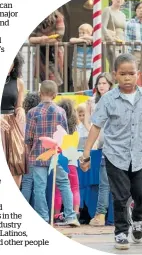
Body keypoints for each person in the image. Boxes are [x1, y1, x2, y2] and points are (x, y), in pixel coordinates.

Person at [80, 54, 142, 250]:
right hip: (115, 155)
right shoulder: (108, 99)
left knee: (141, 196)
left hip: (138, 156)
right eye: (123, 74)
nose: (127, 78)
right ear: (116, 75)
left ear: (138, 74)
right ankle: (121, 232)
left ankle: (137, 220)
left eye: (131, 73)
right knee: (120, 196)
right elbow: (96, 126)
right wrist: (86, 153)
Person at [25, 80, 79, 226]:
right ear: (55, 95)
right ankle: (70, 216)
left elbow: (28, 137)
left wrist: (30, 151)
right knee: (64, 183)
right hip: (57, 153)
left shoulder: (32, 113)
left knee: (39, 187)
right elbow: (65, 134)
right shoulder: (61, 112)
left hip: (38, 155)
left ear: (40, 93)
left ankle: (42, 217)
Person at [89, 72, 114, 227]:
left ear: (110, 84)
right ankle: (102, 215)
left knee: (108, 183)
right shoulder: (95, 102)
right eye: (99, 83)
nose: (101, 86)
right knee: (105, 183)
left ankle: (102, 215)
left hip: (111, 146)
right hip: (102, 146)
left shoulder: (109, 101)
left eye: (104, 83)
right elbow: (93, 126)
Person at [1, 52, 26, 188]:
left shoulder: (18, 82)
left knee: (17, 162)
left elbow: (19, 105)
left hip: (11, 124)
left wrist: (21, 109)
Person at [54, 99, 81, 223]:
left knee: (59, 188)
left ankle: (57, 214)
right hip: (72, 159)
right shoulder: (75, 128)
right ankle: (76, 212)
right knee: (74, 187)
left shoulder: (58, 126)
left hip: (60, 158)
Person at [29, 10, 65, 86]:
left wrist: (39, 40)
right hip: (40, 54)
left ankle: (54, 96)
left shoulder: (58, 17)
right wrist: (42, 39)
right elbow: (31, 39)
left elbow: (58, 37)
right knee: (43, 82)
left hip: (54, 53)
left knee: (54, 80)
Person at [21, 92, 41, 203]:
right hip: (39, 152)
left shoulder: (23, 118)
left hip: (26, 151)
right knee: (39, 184)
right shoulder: (40, 116)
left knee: (26, 182)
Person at [102, 0, 126, 73]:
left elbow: (124, 30)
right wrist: (111, 39)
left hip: (121, 44)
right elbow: (103, 27)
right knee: (114, 68)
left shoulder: (123, 14)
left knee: (122, 68)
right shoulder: (107, 10)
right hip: (112, 44)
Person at [70, 23, 93, 91]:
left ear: (90, 33)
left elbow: (97, 39)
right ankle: (77, 95)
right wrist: (83, 40)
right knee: (77, 84)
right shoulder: (78, 41)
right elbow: (71, 40)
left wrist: (87, 38)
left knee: (85, 81)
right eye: (80, 33)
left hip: (87, 66)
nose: (81, 34)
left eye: (84, 33)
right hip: (76, 66)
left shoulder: (91, 41)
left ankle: (86, 94)